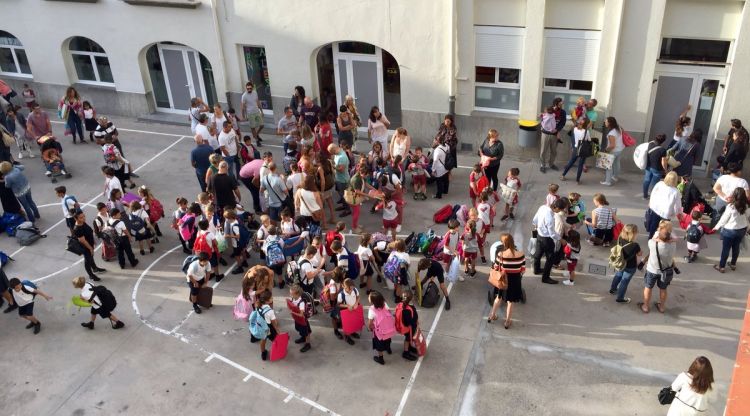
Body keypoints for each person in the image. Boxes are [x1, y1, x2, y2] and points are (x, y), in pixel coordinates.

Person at [639, 220, 677, 314]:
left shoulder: (652, 244)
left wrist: (658, 236)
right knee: (663, 289)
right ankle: (662, 307)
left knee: (648, 287)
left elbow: (653, 238)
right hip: (666, 271)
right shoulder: (673, 245)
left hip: (652, 270)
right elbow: (673, 238)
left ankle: (646, 306)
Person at [488, 233, 525, 329]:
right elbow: (523, 270)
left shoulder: (501, 255)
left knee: (498, 298)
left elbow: (495, 267)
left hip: (503, 280)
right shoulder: (521, 254)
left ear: (503, 243)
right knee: (510, 302)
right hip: (515, 280)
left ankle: (492, 315)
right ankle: (507, 321)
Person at [712, 187, 748, 273]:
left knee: (726, 249)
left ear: (734, 195)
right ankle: (733, 264)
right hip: (741, 230)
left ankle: (722, 266)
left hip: (730, 231)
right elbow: (747, 218)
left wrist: (716, 227)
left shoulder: (731, 206)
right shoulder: (746, 206)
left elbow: (724, 219)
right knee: (736, 248)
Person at [532, 198, 565, 284]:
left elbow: (534, 220)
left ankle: (536, 269)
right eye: (560, 210)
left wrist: (538, 227)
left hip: (539, 236)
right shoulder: (550, 218)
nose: (560, 211)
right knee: (550, 258)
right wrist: (561, 239)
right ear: (557, 208)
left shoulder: (542, 207)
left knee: (538, 254)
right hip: (547, 239)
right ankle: (545, 278)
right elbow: (552, 234)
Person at [609, 224, 641, 303]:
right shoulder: (635, 245)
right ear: (633, 234)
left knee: (618, 275)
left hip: (620, 263)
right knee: (624, 281)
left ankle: (613, 289)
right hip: (630, 266)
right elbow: (639, 254)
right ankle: (620, 298)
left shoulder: (620, 238)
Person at [646, 172, 683, 239]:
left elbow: (653, 193)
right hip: (666, 213)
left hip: (655, 208)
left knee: (654, 224)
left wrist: (650, 203)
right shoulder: (675, 191)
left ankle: (651, 238)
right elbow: (678, 204)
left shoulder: (659, 184)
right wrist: (679, 213)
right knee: (665, 227)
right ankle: (662, 239)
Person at [73, 211, 106, 281]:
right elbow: (83, 241)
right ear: (76, 219)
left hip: (90, 244)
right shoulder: (77, 229)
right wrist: (90, 248)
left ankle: (94, 268)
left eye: (84, 216)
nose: (84, 218)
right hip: (85, 247)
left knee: (91, 257)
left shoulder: (82, 223)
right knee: (87, 260)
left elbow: (88, 232)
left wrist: (93, 241)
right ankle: (91, 275)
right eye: (81, 217)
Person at [560, 118, 591, 184]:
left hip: (576, 148)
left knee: (571, 162)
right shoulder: (586, 131)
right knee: (580, 165)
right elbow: (589, 140)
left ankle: (563, 175)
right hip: (583, 150)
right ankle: (577, 180)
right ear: (586, 124)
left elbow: (572, 137)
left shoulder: (574, 129)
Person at [367, 290, 394, 365]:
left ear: (373, 301)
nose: (368, 297)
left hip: (379, 332)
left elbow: (370, 322)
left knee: (379, 345)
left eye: (369, 297)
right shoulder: (384, 304)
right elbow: (389, 312)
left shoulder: (372, 309)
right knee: (388, 340)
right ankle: (388, 349)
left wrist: (370, 328)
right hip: (388, 329)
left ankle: (381, 358)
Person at [642, 134, 669, 199]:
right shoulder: (662, 150)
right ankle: (652, 198)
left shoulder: (650, 144)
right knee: (654, 184)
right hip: (657, 169)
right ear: (663, 141)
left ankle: (645, 196)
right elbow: (663, 162)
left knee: (647, 180)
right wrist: (665, 170)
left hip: (648, 166)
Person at [288, 284, 313, 353]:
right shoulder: (294, 298)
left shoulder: (301, 303)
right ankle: (303, 338)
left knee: (306, 332)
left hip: (303, 320)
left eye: (291, 294)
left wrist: (293, 313)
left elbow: (301, 315)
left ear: (297, 294)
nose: (290, 296)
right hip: (297, 319)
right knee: (299, 329)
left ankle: (308, 344)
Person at [600, 116, 624, 186]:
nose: (605, 122)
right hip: (620, 149)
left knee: (608, 166)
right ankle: (615, 177)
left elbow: (612, 145)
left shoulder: (611, 133)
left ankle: (608, 181)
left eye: (606, 121)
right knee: (616, 163)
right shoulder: (619, 128)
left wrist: (606, 150)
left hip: (613, 151)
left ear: (610, 123)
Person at [397, 290, 419, 361]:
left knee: (409, 338)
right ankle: (405, 352)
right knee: (408, 339)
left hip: (405, 327)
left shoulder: (402, 306)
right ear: (411, 299)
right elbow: (409, 321)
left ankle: (409, 347)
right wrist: (416, 323)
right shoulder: (409, 309)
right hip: (409, 328)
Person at [240, 82, 264, 146]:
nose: (249, 90)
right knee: (253, 127)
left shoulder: (255, 93)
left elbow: (258, 102)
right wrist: (243, 116)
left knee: (262, 125)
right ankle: (257, 140)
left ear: (252, 88)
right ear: (246, 88)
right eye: (248, 89)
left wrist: (261, 111)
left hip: (256, 111)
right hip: (250, 113)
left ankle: (256, 135)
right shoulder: (244, 96)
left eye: (250, 88)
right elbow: (242, 107)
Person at [539, 106, 558, 173]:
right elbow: (542, 121)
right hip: (545, 134)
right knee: (543, 151)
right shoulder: (547, 115)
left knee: (553, 151)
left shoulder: (552, 115)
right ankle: (543, 165)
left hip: (553, 134)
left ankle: (551, 164)